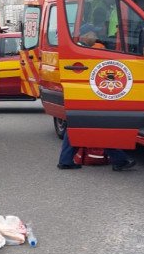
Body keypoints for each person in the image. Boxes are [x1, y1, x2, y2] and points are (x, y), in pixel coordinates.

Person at [57, 23, 137, 171]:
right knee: (96, 126)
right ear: (86, 36)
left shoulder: (80, 48)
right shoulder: (85, 50)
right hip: (86, 94)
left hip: (83, 93)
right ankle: (119, 160)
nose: (96, 37)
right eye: (94, 34)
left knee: (83, 127)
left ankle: (66, 160)